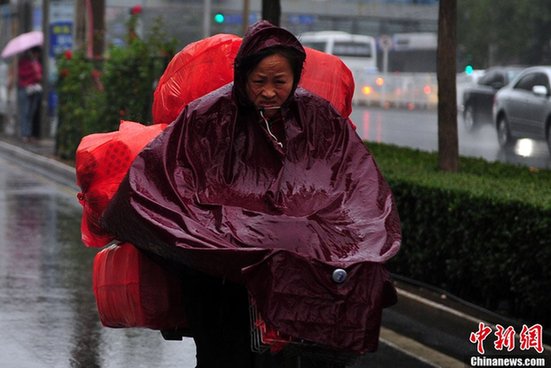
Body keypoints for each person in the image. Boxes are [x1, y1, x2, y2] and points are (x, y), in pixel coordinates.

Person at [102, 20, 401, 368]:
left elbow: (351, 182)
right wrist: (215, 228)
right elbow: (166, 176)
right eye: (260, 82)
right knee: (221, 338)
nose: (270, 92)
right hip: (219, 262)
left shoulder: (319, 118)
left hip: (294, 253)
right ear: (243, 77)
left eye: (280, 82)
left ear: (295, 78)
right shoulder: (208, 115)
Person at [16, 46, 42, 142]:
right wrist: (32, 70)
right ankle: (24, 133)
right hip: (25, 89)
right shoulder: (24, 62)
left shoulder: (37, 63)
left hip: (34, 89)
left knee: (31, 112)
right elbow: (22, 74)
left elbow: (39, 75)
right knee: (25, 112)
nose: (36, 55)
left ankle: (29, 133)